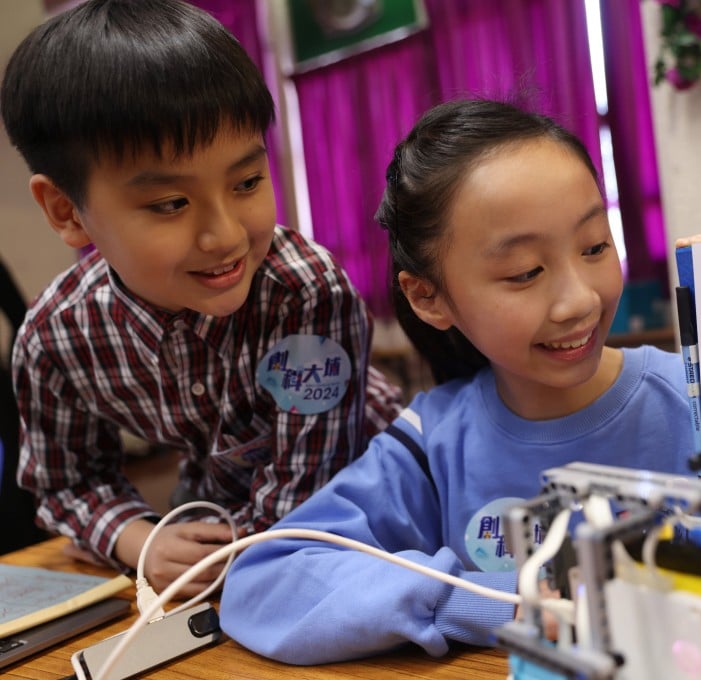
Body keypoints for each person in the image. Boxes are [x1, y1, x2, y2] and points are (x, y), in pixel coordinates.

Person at [219, 99, 696, 664]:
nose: (580, 300)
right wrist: (499, 602)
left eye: (595, 247)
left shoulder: (698, 396)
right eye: (525, 273)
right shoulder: (432, 441)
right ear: (428, 296)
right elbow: (265, 580)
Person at [0, 0, 401, 596]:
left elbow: (307, 491)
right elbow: (65, 483)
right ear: (67, 210)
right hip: (217, 505)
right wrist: (140, 541)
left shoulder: (305, 293)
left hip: (368, 492)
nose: (226, 236)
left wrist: (214, 567)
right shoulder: (56, 336)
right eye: (170, 204)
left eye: (246, 183)